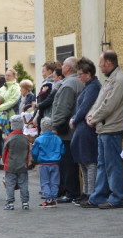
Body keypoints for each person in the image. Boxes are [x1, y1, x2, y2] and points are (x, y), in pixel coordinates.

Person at [83, 50, 123, 209]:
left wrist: (93, 118)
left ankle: (117, 197)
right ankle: (98, 196)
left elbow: (109, 105)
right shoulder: (111, 79)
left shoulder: (119, 80)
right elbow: (99, 102)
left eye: (101, 62)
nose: (99, 65)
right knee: (103, 164)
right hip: (103, 127)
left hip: (112, 128)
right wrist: (90, 116)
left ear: (109, 63)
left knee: (113, 165)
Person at [50, 57, 83, 202]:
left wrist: (55, 126)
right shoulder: (79, 82)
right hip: (74, 128)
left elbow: (62, 108)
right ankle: (71, 190)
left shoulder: (69, 84)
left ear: (68, 68)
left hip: (67, 131)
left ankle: (71, 192)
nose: (61, 66)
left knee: (67, 163)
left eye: (63, 64)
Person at [69, 57, 100, 205]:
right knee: (83, 161)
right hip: (82, 128)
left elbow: (85, 106)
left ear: (88, 73)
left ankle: (91, 193)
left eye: (80, 73)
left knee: (89, 161)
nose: (78, 76)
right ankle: (86, 192)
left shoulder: (93, 86)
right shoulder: (88, 85)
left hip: (87, 129)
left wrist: (74, 119)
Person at [32, 117, 65, 207]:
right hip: (55, 163)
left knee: (45, 181)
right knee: (55, 181)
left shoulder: (39, 139)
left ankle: (48, 199)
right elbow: (62, 151)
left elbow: (34, 152)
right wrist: (59, 157)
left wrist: (36, 159)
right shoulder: (57, 138)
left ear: (42, 127)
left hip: (43, 163)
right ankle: (53, 198)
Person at [2, 114, 31, 211]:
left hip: (10, 165)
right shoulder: (25, 138)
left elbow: (4, 153)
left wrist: (4, 163)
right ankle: (25, 202)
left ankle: (10, 203)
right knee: (23, 183)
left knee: (10, 184)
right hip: (23, 165)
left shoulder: (9, 138)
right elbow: (28, 152)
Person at [34, 60, 59, 127]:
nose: (42, 74)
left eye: (43, 71)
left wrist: (37, 106)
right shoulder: (53, 83)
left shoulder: (48, 84)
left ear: (50, 71)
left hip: (46, 114)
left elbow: (44, 100)